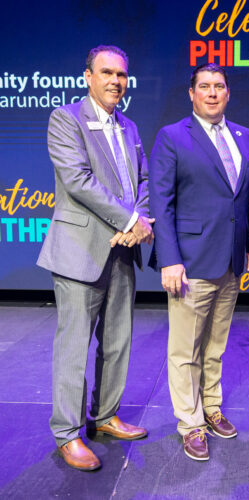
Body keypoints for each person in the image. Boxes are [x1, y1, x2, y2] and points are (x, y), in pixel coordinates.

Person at [37, 45, 154, 470]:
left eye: (121, 75)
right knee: (73, 346)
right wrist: (130, 221)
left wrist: (138, 219)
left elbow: (141, 178)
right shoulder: (65, 119)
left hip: (122, 252)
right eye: (106, 73)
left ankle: (104, 416)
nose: (115, 81)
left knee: (117, 341)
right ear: (88, 76)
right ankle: (68, 433)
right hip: (80, 252)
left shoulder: (130, 126)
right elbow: (79, 181)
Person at [149, 63, 249, 461]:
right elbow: (162, 203)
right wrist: (170, 259)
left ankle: (211, 408)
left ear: (228, 93)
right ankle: (190, 423)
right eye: (205, 87)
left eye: (219, 86)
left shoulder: (244, 136)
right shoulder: (172, 136)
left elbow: (247, 197)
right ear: (191, 93)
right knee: (185, 351)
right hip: (191, 263)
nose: (212, 93)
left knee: (215, 345)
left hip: (231, 261)